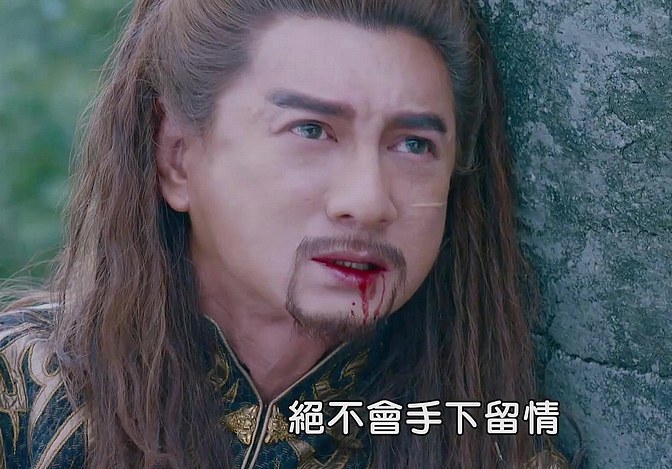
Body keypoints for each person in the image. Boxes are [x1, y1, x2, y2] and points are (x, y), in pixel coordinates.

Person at [0, 0, 569, 467]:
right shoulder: (21, 397)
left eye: (414, 144)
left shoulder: (493, 448)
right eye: (312, 130)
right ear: (175, 156)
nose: (368, 202)